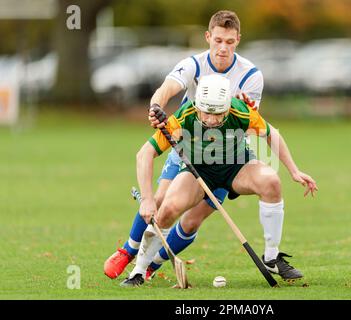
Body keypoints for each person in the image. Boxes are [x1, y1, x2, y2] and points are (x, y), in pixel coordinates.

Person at [104, 10, 265, 280]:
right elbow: (167, 88)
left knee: (192, 220)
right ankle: (128, 252)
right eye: (217, 40)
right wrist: (156, 106)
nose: (223, 47)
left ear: (238, 39)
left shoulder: (251, 74)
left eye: (229, 41)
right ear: (208, 37)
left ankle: (152, 266)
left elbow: (250, 122)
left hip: (225, 156)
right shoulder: (194, 64)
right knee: (159, 201)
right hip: (186, 145)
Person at [120, 74, 318, 287]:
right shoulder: (184, 117)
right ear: (198, 107)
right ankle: (138, 271)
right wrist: (148, 199)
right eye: (207, 113)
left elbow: (271, 134)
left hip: (237, 166)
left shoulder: (240, 111)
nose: (213, 120)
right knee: (168, 209)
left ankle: (271, 257)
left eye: (219, 113)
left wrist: (294, 170)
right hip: (199, 171)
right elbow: (145, 154)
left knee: (271, 182)